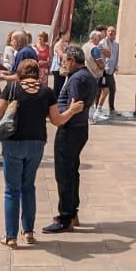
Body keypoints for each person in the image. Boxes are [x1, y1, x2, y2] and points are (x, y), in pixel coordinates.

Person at [0, 58, 84, 247]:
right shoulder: (47, 92)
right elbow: (57, 121)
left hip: (13, 143)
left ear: (19, 73)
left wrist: (2, 134)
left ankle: (11, 236)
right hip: (36, 144)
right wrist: (73, 110)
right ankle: (28, 232)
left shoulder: (11, 89)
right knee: (28, 187)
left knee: (12, 190)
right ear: (39, 73)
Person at [43, 44, 96, 233]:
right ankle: (72, 211)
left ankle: (65, 216)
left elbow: (75, 106)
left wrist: (57, 115)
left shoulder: (76, 79)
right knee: (71, 171)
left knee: (64, 173)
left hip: (71, 129)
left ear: (73, 61)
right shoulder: (85, 76)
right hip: (79, 129)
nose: (61, 64)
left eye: (64, 61)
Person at [98, 24, 121, 119]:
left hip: (111, 70)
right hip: (104, 70)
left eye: (113, 31)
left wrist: (116, 66)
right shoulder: (102, 43)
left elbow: (116, 56)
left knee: (112, 89)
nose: (111, 33)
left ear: (115, 33)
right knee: (102, 90)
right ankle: (97, 108)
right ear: (106, 32)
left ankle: (111, 109)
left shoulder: (116, 44)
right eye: (109, 31)